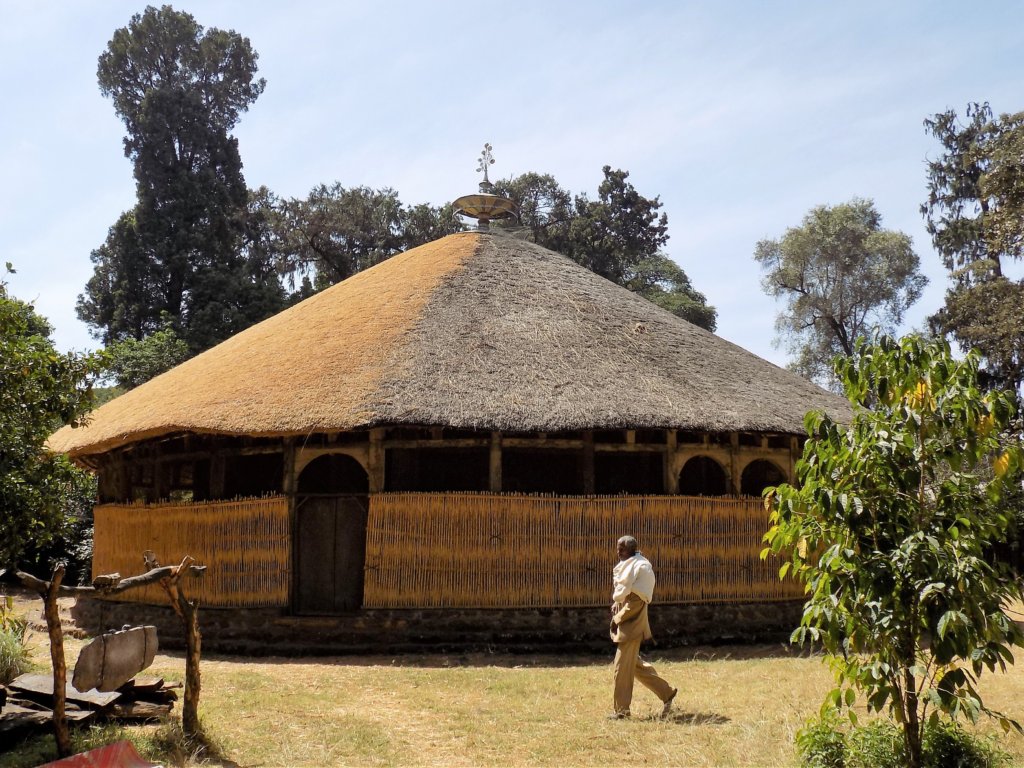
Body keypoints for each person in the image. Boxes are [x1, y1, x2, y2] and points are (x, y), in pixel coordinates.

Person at [608, 535, 677, 719]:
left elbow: (635, 604)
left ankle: (621, 711)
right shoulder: (631, 565)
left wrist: (617, 618)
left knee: (621, 668)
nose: (618, 552)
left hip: (632, 624)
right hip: (630, 622)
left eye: (622, 548)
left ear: (631, 550)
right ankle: (667, 692)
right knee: (635, 666)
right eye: (617, 548)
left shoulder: (640, 566)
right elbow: (625, 594)